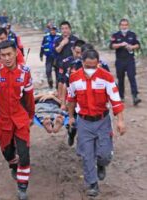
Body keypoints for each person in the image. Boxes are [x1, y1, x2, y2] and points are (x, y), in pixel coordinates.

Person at [67, 49, 126, 197]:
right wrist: (71, 117)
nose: (91, 69)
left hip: (102, 121)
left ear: (98, 64)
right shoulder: (74, 78)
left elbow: (115, 99)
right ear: (82, 63)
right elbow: (71, 99)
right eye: (88, 66)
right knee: (87, 155)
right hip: (84, 122)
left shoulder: (106, 77)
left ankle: (101, 164)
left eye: (94, 66)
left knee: (105, 154)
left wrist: (120, 121)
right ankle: (92, 184)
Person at [0, 41, 35, 200]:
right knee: (7, 152)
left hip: (20, 119)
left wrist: (30, 116)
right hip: (3, 120)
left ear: (16, 54)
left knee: (24, 154)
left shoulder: (25, 72)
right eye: (2, 55)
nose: (6, 58)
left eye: (9, 54)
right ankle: (13, 164)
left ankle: (22, 187)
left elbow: (29, 98)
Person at [110, 18, 141, 105]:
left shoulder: (132, 34)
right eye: (122, 25)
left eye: (126, 25)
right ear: (120, 26)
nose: (124, 26)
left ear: (128, 25)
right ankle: (121, 96)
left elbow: (138, 45)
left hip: (130, 60)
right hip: (120, 60)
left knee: (132, 78)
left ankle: (135, 97)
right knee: (120, 79)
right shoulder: (115, 35)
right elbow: (112, 46)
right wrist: (120, 44)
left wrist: (132, 47)